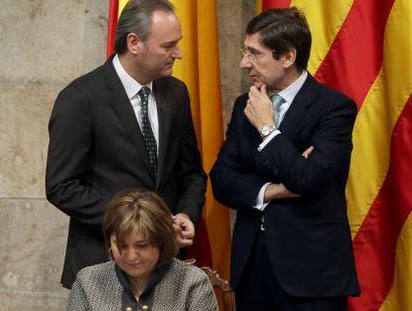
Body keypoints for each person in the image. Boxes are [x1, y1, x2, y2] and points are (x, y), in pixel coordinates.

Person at [46, 0, 206, 289]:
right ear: (134, 43)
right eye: (168, 46)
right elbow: (62, 187)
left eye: (178, 44)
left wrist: (185, 213)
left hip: (166, 267)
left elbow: (191, 172)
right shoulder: (81, 98)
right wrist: (136, 222)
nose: (178, 54)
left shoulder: (176, 93)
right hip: (102, 266)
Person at [210, 7, 360, 311]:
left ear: (288, 57)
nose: (244, 63)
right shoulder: (245, 105)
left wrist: (268, 128)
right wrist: (275, 190)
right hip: (253, 269)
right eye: (244, 52)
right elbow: (222, 180)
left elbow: (307, 178)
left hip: (311, 277)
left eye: (255, 53)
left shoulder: (334, 108)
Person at [66, 188, 217, 310]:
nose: (131, 256)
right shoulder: (88, 281)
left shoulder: (192, 282)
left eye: (141, 245)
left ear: (161, 241)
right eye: (122, 245)